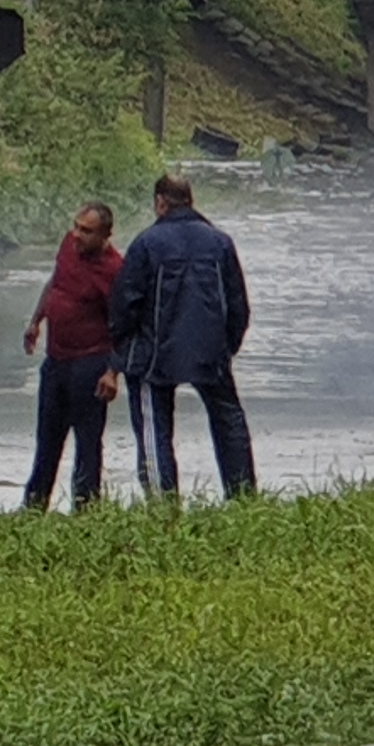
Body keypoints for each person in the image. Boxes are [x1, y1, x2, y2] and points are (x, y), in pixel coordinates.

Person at [111, 172, 255, 500]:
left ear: (160, 203)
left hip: (155, 353)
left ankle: (164, 506)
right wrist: (226, 347)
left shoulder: (146, 243)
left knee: (154, 428)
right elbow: (238, 305)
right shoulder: (220, 242)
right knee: (228, 420)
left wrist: (125, 351)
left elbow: (124, 303)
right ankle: (243, 497)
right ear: (191, 201)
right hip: (211, 352)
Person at [20, 201, 124, 510]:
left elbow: (123, 325)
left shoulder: (114, 270)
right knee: (47, 441)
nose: (77, 235)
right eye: (76, 226)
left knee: (87, 445)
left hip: (90, 365)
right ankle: (33, 508)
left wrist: (112, 372)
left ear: (106, 235)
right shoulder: (68, 245)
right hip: (56, 361)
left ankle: (86, 510)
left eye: (86, 231)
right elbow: (55, 282)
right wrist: (36, 320)